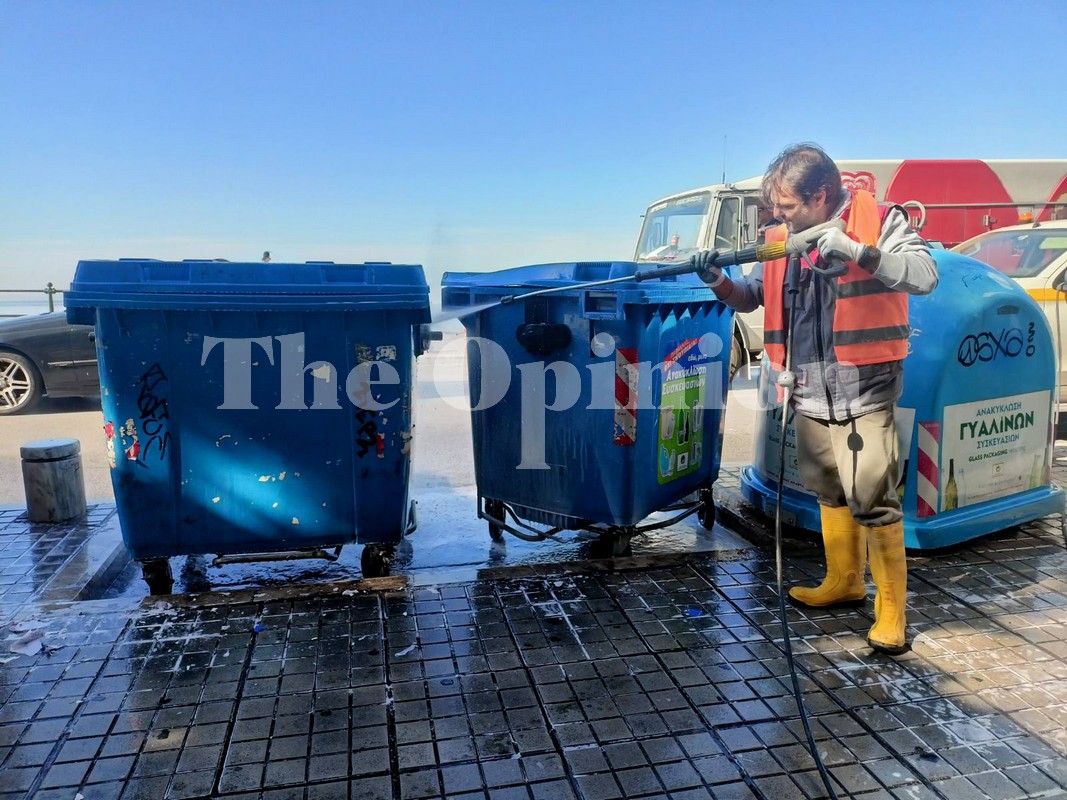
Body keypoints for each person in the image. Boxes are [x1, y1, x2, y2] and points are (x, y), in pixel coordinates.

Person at [689, 144, 938, 654]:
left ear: (821, 196)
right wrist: (717, 280)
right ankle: (844, 581)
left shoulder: (880, 220)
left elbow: (924, 276)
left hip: (864, 390)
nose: (775, 217)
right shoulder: (780, 239)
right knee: (828, 490)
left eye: (786, 206)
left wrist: (855, 250)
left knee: (872, 498)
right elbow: (751, 296)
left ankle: (891, 613)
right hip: (807, 390)